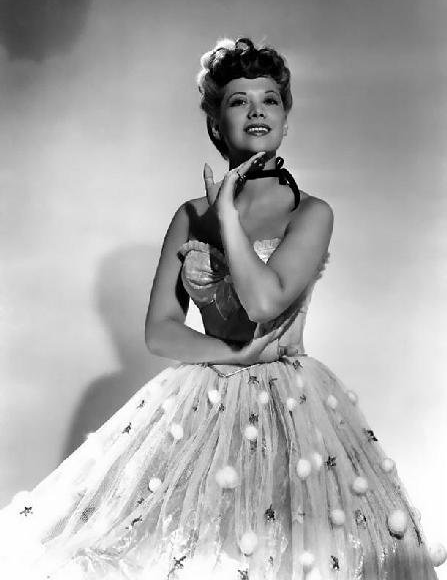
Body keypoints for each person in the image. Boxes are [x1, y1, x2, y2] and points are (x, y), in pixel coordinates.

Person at [0, 37, 444, 580]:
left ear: (285, 120)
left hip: (294, 409)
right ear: (217, 124)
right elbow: (161, 331)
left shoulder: (311, 213)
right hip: (203, 402)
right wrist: (234, 356)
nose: (257, 110)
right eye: (239, 101)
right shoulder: (190, 215)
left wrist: (228, 216)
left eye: (269, 99)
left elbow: (264, 300)